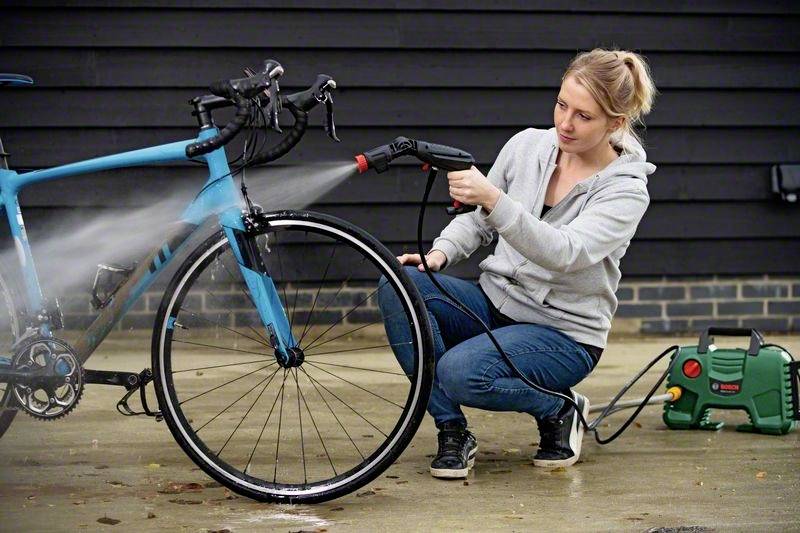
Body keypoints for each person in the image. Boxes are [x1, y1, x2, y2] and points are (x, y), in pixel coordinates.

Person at [378, 48, 657, 478]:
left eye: (584, 116)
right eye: (562, 105)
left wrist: (493, 198)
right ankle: (452, 429)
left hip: (563, 334)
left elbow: (564, 252)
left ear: (615, 123)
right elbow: (478, 221)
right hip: (493, 305)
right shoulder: (527, 145)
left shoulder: (625, 192)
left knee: (460, 372)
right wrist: (440, 253)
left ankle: (559, 407)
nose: (565, 123)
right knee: (399, 285)